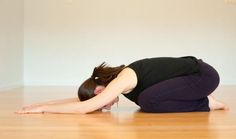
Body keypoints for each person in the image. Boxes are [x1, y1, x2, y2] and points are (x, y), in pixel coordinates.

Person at [16, 56, 228, 114]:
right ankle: (204, 100)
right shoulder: (121, 85)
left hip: (203, 76)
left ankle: (205, 103)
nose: (104, 103)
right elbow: (84, 102)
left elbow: (84, 108)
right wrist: (40, 105)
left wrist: (44, 109)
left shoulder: (124, 78)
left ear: (102, 85)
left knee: (148, 101)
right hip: (193, 78)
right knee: (147, 101)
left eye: (100, 96)